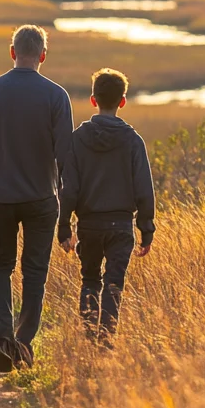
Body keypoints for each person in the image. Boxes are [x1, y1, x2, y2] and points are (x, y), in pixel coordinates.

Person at [0, 25, 74, 373]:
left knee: (1, 266)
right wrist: (68, 207)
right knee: (35, 271)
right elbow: (65, 157)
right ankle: (22, 342)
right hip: (42, 197)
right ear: (42, 55)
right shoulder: (56, 96)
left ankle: (2, 339)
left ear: (12, 52)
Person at [58, 68, 156, 343]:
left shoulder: (77, 140)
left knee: (89, 280)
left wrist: (64, 226)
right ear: (122, 101)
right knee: (114, 283)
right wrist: (146, 229)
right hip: (122, 227)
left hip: (88, 226)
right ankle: (106, 340)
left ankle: (90, 337)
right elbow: (144, 190)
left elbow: (69, 189)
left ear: (93, 100)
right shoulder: (133, 141)